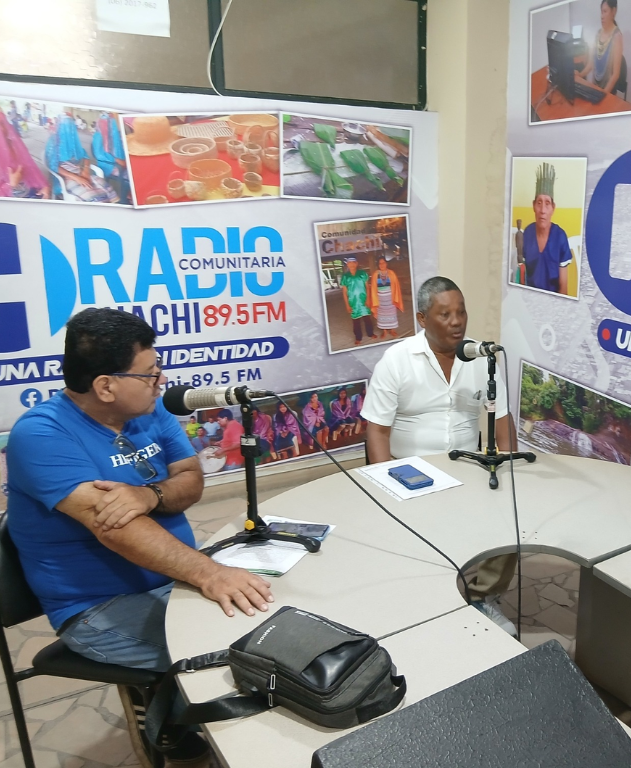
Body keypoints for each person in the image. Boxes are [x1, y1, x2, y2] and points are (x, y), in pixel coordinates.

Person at [4, 308, 273, 762]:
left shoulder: (148, 409)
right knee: (241, 658)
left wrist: (150, 494)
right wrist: (209, 573)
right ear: (105, 386)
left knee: (265, 624)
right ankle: (170, 730)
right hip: (96, 607)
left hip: (171, 580)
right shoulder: (41, 434)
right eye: (150, 373)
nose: (160, 381)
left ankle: (169, 705)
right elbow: (118, 530)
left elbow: (190, 479)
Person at [362, 277, 519, 637]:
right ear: (422, 319)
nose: (457, 321)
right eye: (445, 314)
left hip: (468, 469)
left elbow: (502, 419)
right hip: (409, 472)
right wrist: (387, 485)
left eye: (461, 312)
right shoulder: (397, 360)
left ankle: (482, 596)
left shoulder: (481, 358)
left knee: (511, 515)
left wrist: (509, 469)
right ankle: (422, 603)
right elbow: (377, 431)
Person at [522, 162, 573, 295]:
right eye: (539, 203)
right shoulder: (527, 233)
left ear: (553, 208)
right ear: (533, 206)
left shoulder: (560, 237)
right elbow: (522, 276)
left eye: (547, 203)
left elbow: (563, 288)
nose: (543, 210)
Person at [45, 113, 119, 204]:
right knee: (90, 195)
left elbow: (85, 156)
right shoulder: (53, 142)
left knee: (104, 186)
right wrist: (77, 178)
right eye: (65, 124)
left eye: (70, 125)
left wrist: (86, 171)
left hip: (80, 172)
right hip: (65, 177)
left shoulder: (73, 140)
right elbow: (53, 165)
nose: (68, 128)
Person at [580, 0, 625, 97]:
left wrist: (602, 95)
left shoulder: (617, 36)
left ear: (614, 11)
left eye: (605, 11)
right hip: (595, 89)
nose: (602, 16)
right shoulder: (598, 34)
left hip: (608, 94)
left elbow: (615, 75)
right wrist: (578, 75)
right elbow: (591, 64)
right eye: (601, 12)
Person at [0, 111, 49, 199]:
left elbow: (31, 168)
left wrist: (44, 186)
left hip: (31, 192)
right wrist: (10, 185)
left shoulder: (14, 146)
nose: (1, 128)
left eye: (2, 123)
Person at [91, 111, 129, 204]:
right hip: (108, 165)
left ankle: (129, 195)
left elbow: (121, 149)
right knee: (128, 177)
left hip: (119, 162)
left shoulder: (116, 135)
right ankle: (123, 201)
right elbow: (99, 154)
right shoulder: (98, 137)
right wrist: (116, 160)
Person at [340, 257, 377, 346]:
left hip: (363, 300)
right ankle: (358, 337)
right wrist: (347, 305)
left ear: (356, 264)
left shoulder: (362, 274)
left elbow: (367, 287)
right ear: (347, 264)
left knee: (367, 319)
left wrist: (368, 299)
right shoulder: (345, 276)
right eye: (350, 263)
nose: (352, 264)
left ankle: (370, 333)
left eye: (353, 262)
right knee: (356, 321)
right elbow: (344, 292)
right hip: (353, 302)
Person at [369, 255, 405, 339]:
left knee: (392, 314)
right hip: (380, 299)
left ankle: (392, 330)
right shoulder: (375, 274)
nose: (382, 265)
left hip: (390, 299)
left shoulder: (391, 273)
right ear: (378, 265)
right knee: (382, 316)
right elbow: (373, 288)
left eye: (383, 263)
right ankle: (384, 331)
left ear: (386, 263)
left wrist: (395, 297)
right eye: (380, 263)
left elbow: (396, 286)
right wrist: (375, 300)